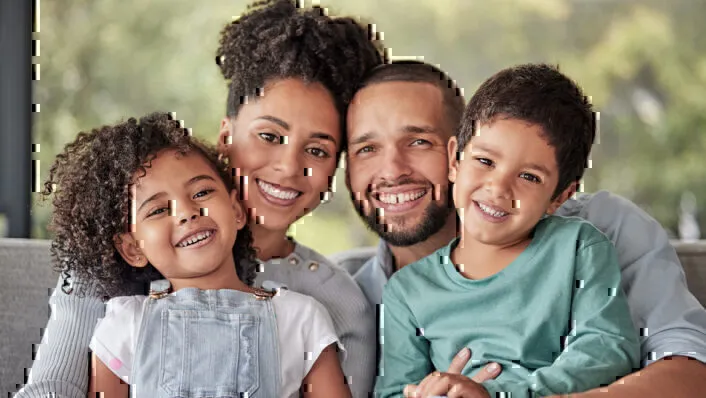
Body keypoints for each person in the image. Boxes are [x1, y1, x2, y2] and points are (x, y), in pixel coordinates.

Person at [18, 1, 382, 397]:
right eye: (269, 136)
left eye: (317, 150)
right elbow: (51, 388)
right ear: (226, 135)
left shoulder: (335, 305)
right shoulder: (106, 270)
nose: (288, 166)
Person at [339, 60, 706, 397]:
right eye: (366, 148)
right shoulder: (383, 295)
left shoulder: (587, 240)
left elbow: (618, 349)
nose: (392, 170)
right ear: (458, 158)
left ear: (560, 196)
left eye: (418, 141)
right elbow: (395, 389)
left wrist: (504, 394)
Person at [40, 112, 350, 397]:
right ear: (133, 249)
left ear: (235, 210)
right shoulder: (126, 325)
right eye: (159, 210)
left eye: (201, 193)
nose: (188, 212)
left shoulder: (301, 319)